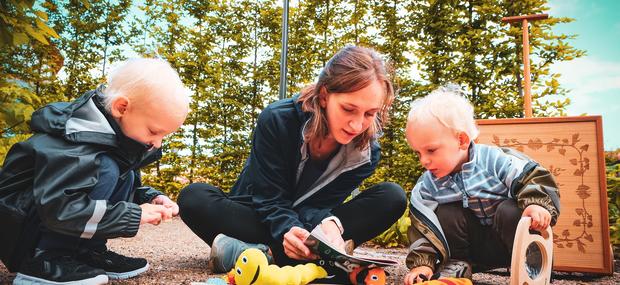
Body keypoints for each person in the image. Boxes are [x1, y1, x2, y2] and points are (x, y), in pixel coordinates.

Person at [178, 46, 407, 281]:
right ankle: (304, 258)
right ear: (325, 95)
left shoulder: (367, 152)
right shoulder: (277, 119)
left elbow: (321, 205)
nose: (357, 125)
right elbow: (268, 198)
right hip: (258, 212)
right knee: (194, 197)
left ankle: (254, 254)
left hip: (308, 223)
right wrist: (288, 229)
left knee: (392, 196)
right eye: (349, 109)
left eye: (370, 114)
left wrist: (329, 224)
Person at [0, 58, 190, 284]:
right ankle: (46, 260)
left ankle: (86, 252)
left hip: (46, 214)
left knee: (121, 171)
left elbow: (110, 188)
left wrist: (150, 198)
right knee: (106, 167)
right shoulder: (75, 141)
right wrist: (135, 214)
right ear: (122, 107)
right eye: (154, 131)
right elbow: (59, 207)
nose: (157, 144)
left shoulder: (115, 141)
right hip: (21, 230)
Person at [402, 86, 561, 285]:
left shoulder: (493, 161)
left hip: (512, 242)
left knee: (511, 210)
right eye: (418, 153)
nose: (424, 160)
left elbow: (534, 177)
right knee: (445, 212)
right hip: (474, 248)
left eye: (431, 150)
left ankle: (532, 266)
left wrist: (538, 205)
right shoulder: (428, 185)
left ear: (461, 140)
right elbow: (423, 226)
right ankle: (459, 264)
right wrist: (422, 263)